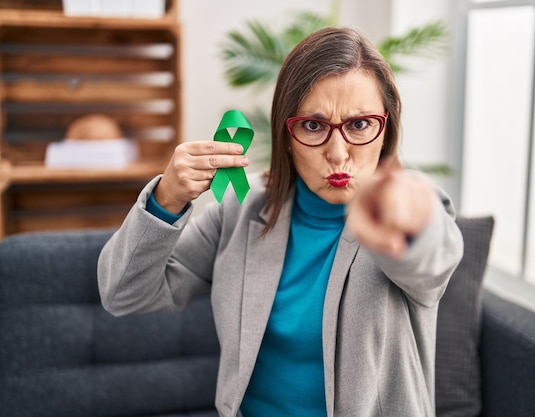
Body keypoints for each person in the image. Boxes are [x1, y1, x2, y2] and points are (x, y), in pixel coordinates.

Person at [98, 27, 464, 417]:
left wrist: (406, 225)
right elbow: (124, 294)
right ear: (285, 134)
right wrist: (165, 200)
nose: (338, 154)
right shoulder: (241, 209)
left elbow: (433, 257)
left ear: (385, 127)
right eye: (313, 126)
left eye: (359, 125)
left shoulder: (407, 208)